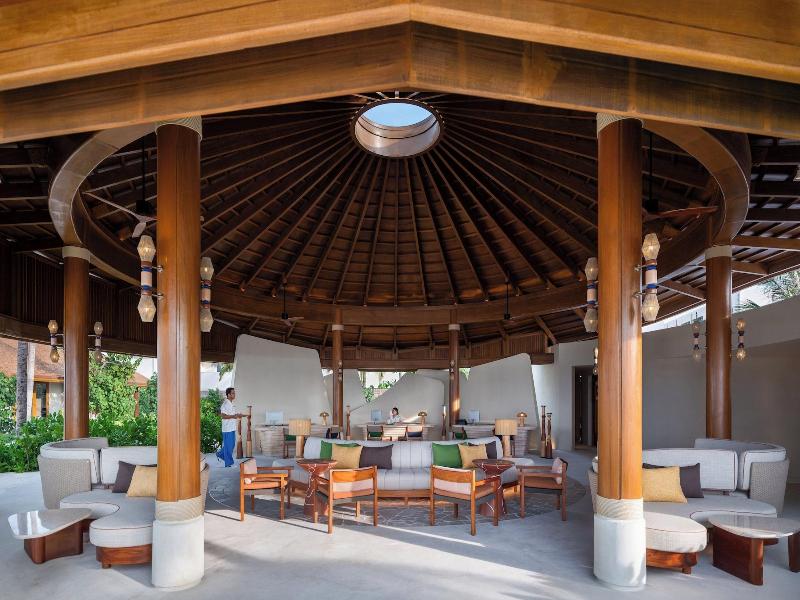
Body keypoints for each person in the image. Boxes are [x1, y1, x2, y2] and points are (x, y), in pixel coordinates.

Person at [216, 387, 243, 467]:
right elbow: (223, 416)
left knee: (231, 445)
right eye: (233, 393)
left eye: (234, 393)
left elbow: (232, 415)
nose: (234, 394)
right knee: (229, 446)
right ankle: (228, 463)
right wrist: (233, 416)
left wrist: (237, 415)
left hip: (232, 427)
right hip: (227, 428)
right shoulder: (225, 404)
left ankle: (219, 454)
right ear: (228, 395)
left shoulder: (232, 404)